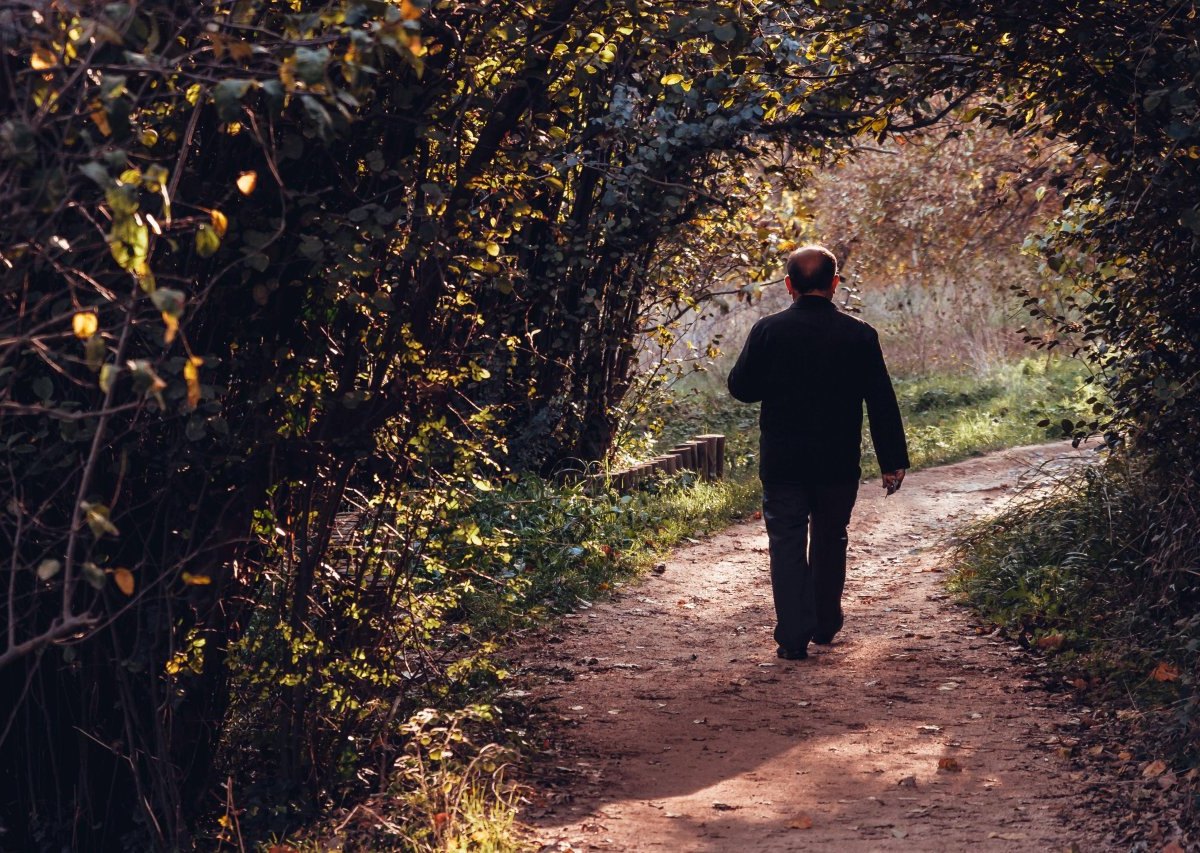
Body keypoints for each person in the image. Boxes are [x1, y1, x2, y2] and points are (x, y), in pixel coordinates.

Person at [727, 245, 909, 660]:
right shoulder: (859, 334)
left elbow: (741, 388)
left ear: (789, 285)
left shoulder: (768, 330)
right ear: (835, 284)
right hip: (836, 461)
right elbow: (881, 400)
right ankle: (825, 624)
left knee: (786, 542)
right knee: (830, 537)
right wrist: (892, 460)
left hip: (783, 461)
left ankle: (793, 637)